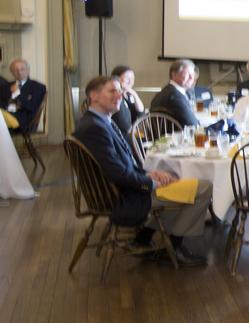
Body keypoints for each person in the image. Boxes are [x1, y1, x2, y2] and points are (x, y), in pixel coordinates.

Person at [75, 75, 213, 265]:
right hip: (123, 197)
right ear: (94, 95)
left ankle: (145, 238)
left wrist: (149, 174)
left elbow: (119, 166)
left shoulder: (96, 121)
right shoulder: (95, 128)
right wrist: (151, 182)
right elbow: (117, 173)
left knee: (176, 177)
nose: (120, 96)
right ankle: (173, 247)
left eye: (120, 91)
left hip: (121, 189)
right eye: (112, 91)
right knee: (204, 188)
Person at [150, 59, 201, 127]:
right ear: (174, 74)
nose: (191, 78)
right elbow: (192, 124)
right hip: (174, 133)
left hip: (161, 133)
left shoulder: (166, 91)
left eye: (192, 74)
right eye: (188, 74)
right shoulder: (175, 96)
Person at [2, 58, 47, 133]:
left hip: (23, 121)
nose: (19, 72)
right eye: (16, 70)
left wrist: (17, 93)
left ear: (28, 70)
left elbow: (32, 106)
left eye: (22, 69)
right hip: (5, 117)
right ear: (12, 72)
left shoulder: (38, 87)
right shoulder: (7, 86)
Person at [109, 65, 146, 138]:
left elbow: (141, 115)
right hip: (118, 136)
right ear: (116, 79)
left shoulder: (128, 95)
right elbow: (125, 126)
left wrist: (135, 95)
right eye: (127, 78)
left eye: (132, 79)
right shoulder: (116, 98)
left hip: (128, 134)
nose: (131, 81)